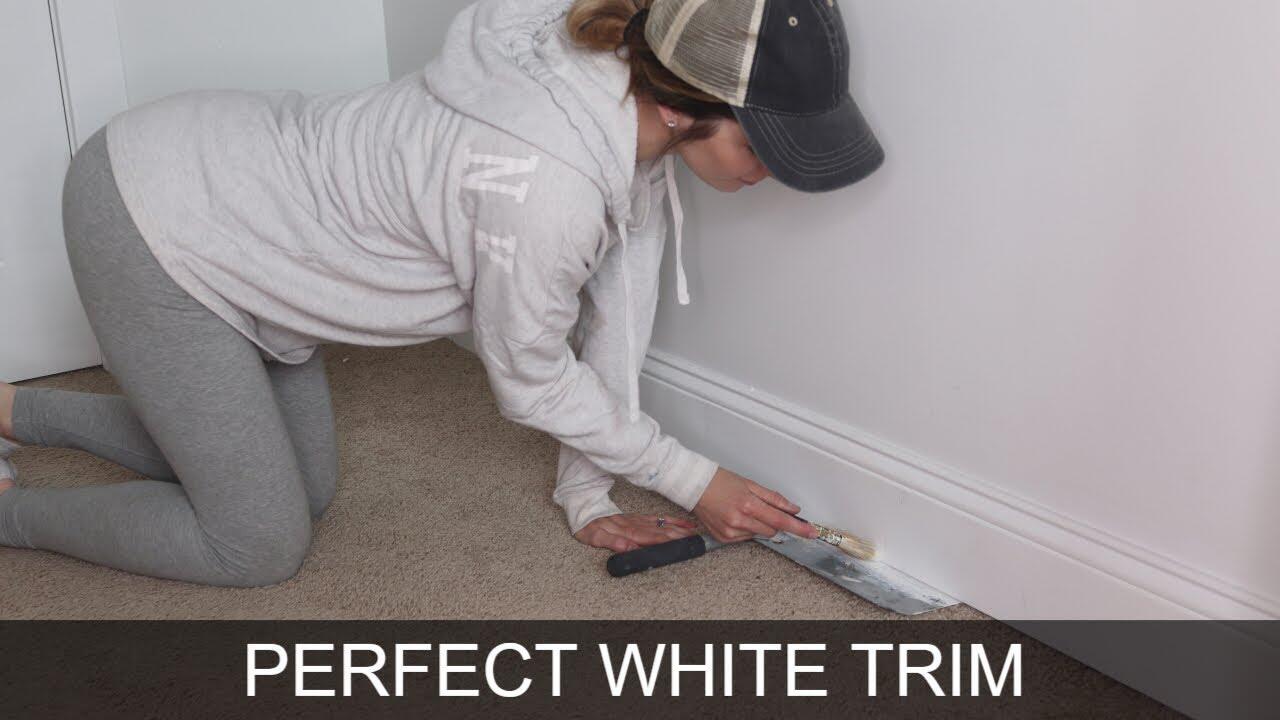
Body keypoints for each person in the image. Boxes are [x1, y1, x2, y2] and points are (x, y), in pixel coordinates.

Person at [0, 0, 882, 587]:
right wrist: (692, 478)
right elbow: (533, 376)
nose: (772, 172)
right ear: (682, 105)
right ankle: (14, 518)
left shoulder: (629, 106)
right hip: (160, 214)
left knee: (301, 489)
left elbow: (614, 323)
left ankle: (15, 412)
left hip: (257, 221)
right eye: (761, 145)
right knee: (256, 545)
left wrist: (590, 496)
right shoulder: (548, 184)